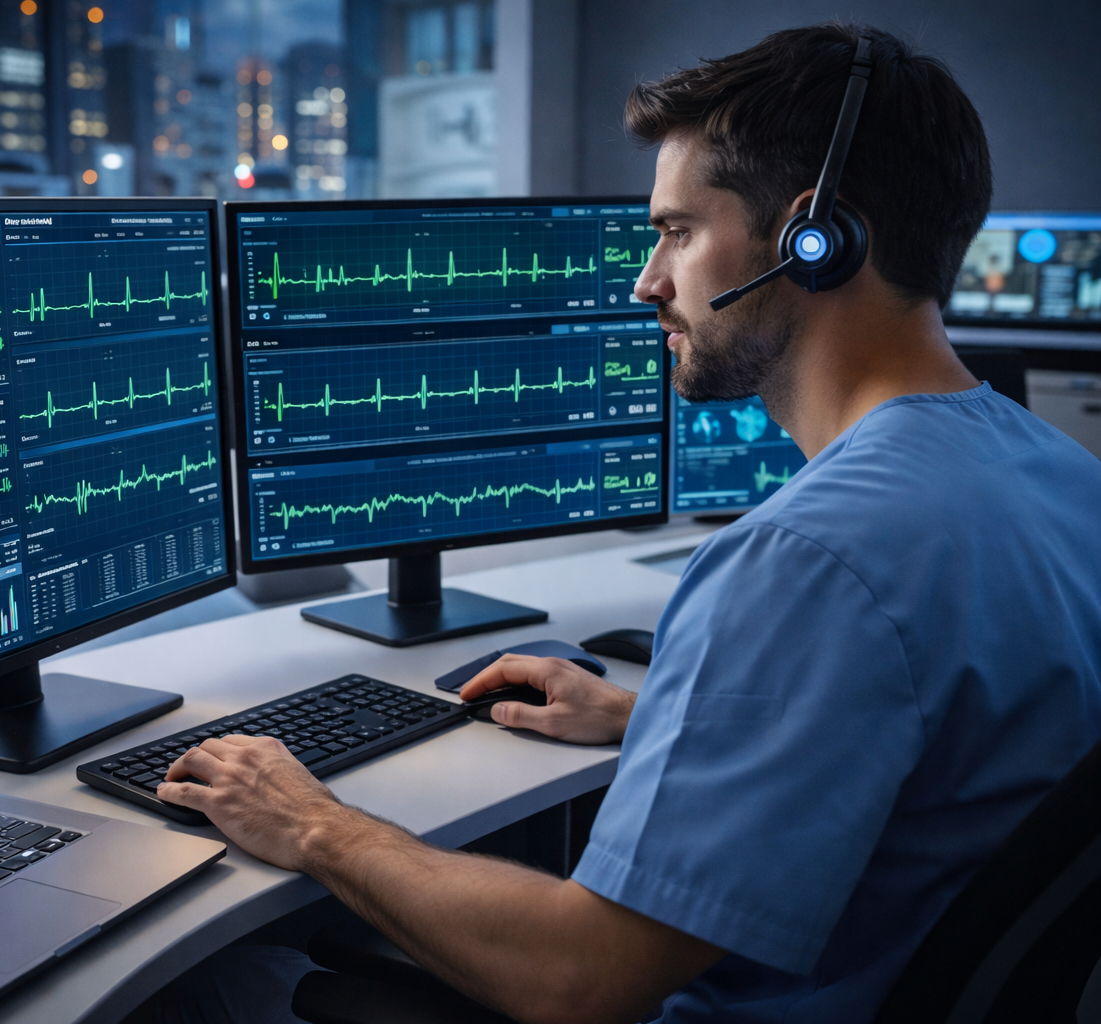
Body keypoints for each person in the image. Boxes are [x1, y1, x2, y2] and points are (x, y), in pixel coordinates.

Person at [149, 24, 1101, 1024]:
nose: (649, 282)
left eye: (679, 231)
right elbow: (951, 775)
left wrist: (316, 826)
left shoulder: (805, 559)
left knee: (220, 983)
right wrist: (663, 720)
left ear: (811, 239)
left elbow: (583, 977)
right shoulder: (1060, 479)